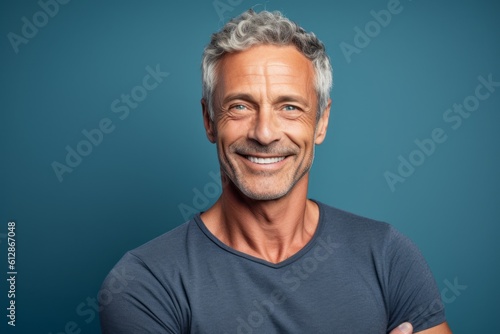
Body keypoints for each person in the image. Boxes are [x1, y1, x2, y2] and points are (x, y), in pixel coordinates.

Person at [100, 9, 452, 333]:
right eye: (240, 106)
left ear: (321, 121)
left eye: (289, 107)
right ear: (209, 120)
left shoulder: (387, 255)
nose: (265, 133)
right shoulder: (143, 283)